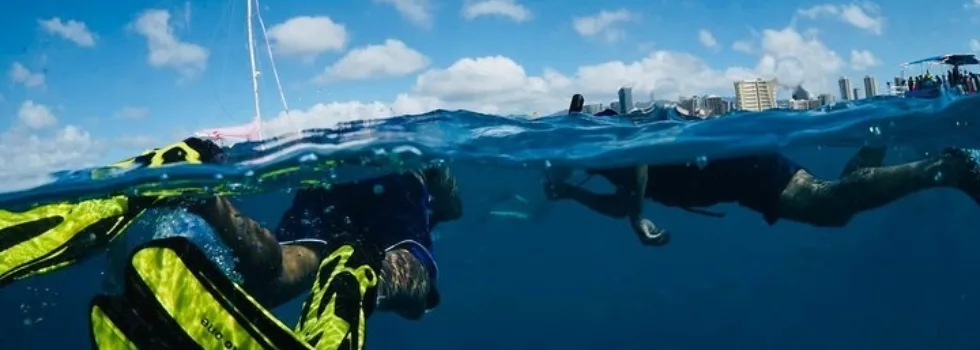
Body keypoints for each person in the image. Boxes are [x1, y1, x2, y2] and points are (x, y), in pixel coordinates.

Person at [544, 96, 980, 246]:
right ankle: (878, 136)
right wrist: (571, 195)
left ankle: (946, 167)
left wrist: (638, 216)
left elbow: (636, 160)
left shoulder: (596, 138)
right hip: (732, 178)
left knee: (827, 206)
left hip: (739, 169)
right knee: (834, 205)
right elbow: (619, 200)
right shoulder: (589, 159)